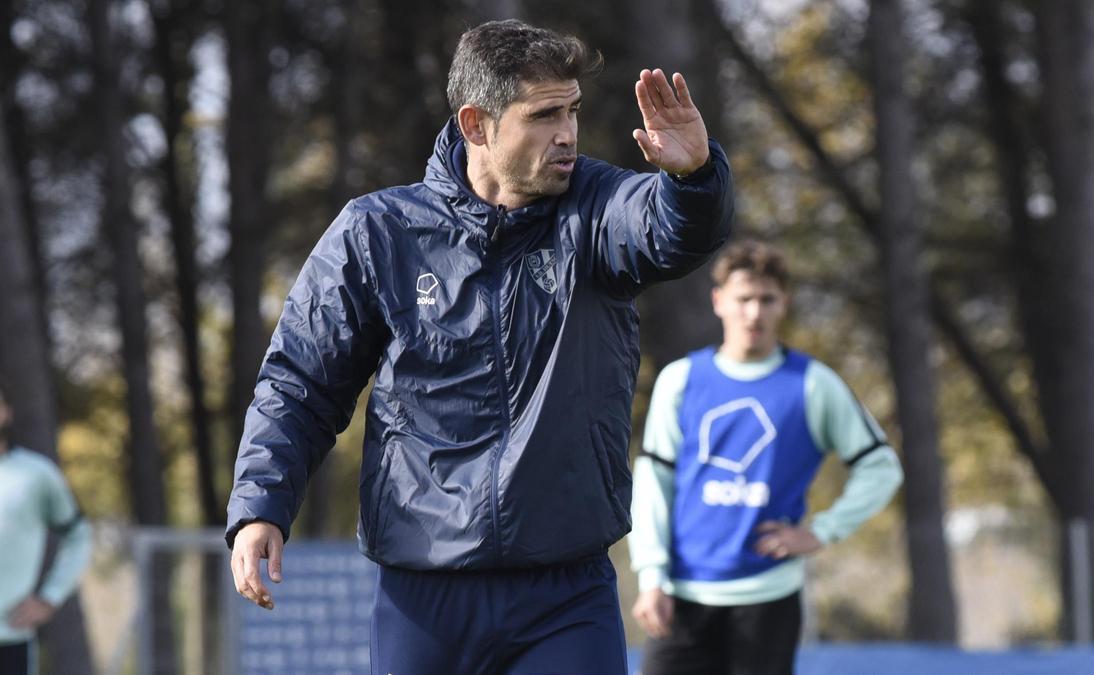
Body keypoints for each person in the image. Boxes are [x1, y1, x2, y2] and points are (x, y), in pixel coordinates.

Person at [225, 19, 733, 675]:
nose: (568, 132)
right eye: (545, 114)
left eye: (573, 110)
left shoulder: (597, 205)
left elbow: (667, 229)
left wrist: (692, 177)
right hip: (423, 592)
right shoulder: (377, 232)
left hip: (565, 594)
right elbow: (299, 385)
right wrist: (260, 504)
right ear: (475, 124)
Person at [628, 240, 903, 675]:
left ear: (784, 304)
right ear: (719, 301)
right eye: (743, 299)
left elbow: (881, 467)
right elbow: (652, 484)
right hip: (681, 597)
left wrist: (822, 531)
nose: (753, 313)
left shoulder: (813, 385)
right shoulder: (680, 380)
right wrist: (651, 575)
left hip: (768, 599)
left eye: (766, 300)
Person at [0, 386, 92, 675]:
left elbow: (78, 536)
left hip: (11, 638)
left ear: (6, 411)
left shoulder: (36, 474)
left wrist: (49, 597)